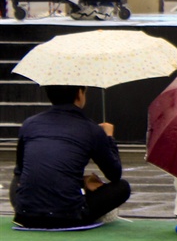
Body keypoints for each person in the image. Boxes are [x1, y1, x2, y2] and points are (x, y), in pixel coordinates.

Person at [10, 85, 131, 229]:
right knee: (122, 187)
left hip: (25, 215)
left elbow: (22, 170)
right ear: (80, 94)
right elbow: (114, 174)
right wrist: (109, 137)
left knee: (19, 177)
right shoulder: (91, 129)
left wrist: (81, 181)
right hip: (69, 216)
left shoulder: (29, 124)